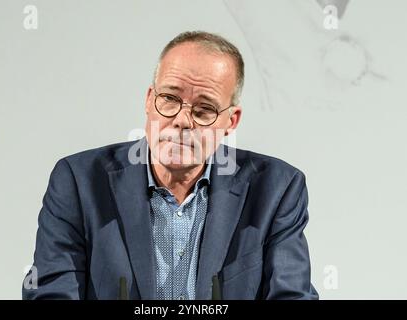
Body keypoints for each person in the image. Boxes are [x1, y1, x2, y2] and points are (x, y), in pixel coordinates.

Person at [22, 31, 318, 300]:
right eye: (169, 98)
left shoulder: (276, 190)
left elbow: (291, 295)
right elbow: (51, 294)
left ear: (231, 121)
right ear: (149, 100)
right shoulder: (79, 182)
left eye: (204, 110)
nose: (181, 120)